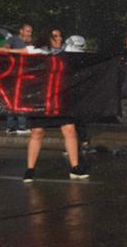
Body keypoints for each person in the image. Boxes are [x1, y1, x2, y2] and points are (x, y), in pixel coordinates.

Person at [23, 35, 87, 182]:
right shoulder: (35, 52)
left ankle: (75, 168)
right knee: (37, 132)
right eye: (54, 36)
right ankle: (30, 169)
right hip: (42, 98)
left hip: (61, 98)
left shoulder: (67, 54)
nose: (58, 39)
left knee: (69, 129)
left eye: (60, 36)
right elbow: (6, 53)